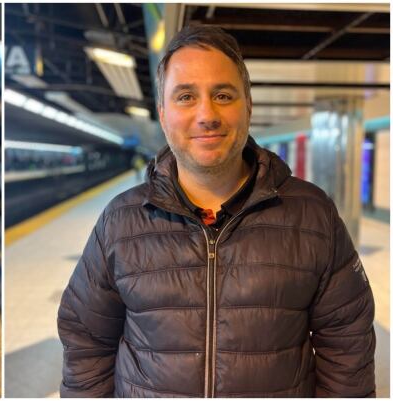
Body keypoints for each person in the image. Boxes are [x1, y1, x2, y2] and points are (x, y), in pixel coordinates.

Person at [57, 25, 375, 397]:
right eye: (186, 97)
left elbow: (348, 348)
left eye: (223, 95)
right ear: (162, 113)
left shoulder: (313, 216)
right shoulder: (120, 221)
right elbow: (85, 344)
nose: (207, 114)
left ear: (248, 106)